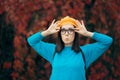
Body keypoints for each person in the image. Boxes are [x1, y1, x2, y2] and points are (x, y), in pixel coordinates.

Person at [27, 16, 113, 80]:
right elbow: (32, 41)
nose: (67, 33)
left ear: (75, 33)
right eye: (63, 30)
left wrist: (87, 33)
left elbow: (107, 41)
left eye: (71, 30)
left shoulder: (85, 52)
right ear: (60, 34)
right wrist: (47, 32)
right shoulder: (53, 51)